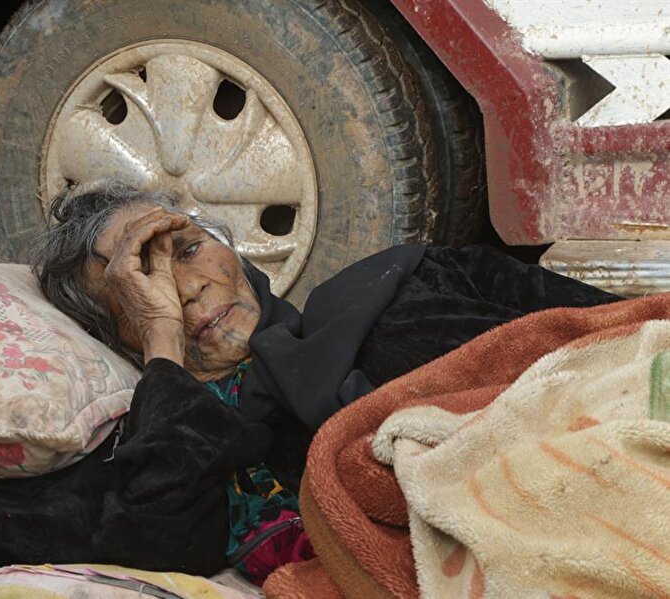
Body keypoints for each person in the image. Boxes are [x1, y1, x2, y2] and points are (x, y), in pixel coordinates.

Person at [31, 181, 619, 582]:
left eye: (189, 250)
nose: (185, 288)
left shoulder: (402, 283)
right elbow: (152, 549)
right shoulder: (173, 438)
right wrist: (163, 340)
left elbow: (616, 331)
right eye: (145, 283)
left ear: (233, 253)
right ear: (117, 335)